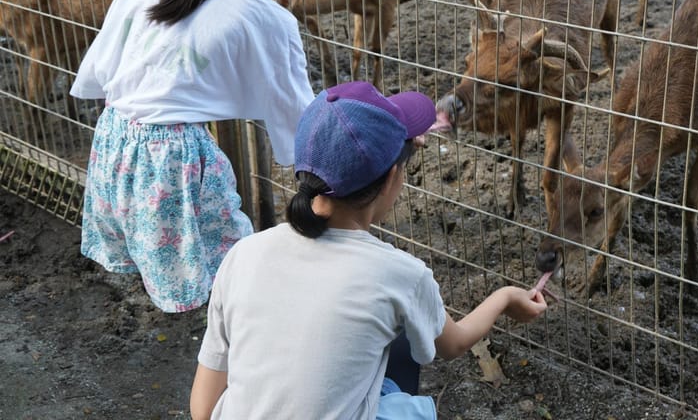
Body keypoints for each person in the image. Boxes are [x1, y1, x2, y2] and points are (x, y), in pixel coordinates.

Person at [69, 0, 333, 313]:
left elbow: (103, 69)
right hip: (174, 169)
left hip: (114, 146)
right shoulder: (265, 18)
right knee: (241, 282)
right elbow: (302, 130)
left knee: (214, 284)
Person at [190, 81, 548, 420]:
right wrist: (504, 297)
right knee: (405, 344)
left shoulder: (244, 254)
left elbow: (203, 410)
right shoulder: (400, 274)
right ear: (394, 177)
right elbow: (454, 345)